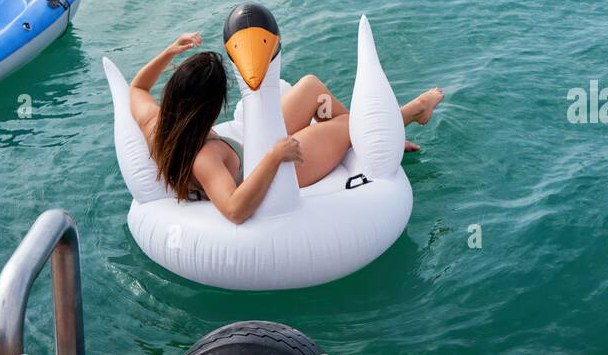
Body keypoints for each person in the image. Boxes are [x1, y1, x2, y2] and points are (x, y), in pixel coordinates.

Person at [130, 33, 443, 225]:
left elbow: (138, 88)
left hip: (250, 149)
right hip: (269, 177)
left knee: (311, 89)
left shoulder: (155, 124)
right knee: (349, 124)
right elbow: (235, 210)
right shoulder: (204, 157)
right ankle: (406, 117)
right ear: (208, 109)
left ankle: (377, 138)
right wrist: (275, 156)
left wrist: (171, 50)